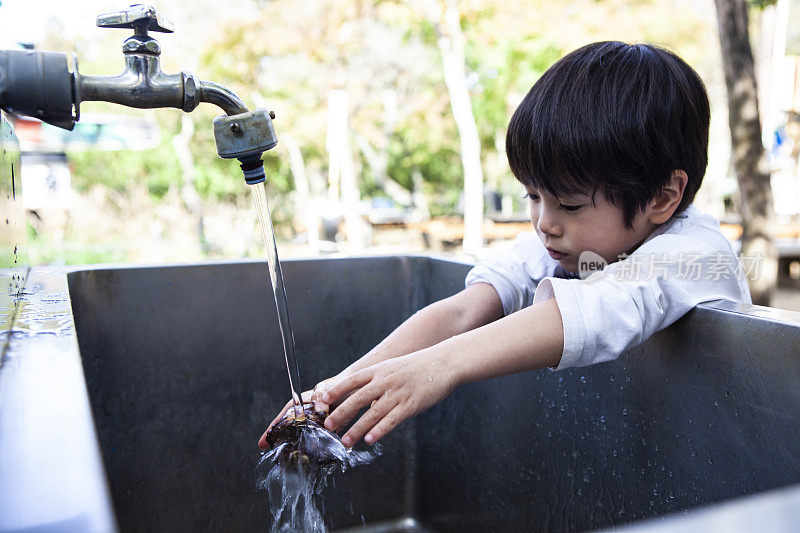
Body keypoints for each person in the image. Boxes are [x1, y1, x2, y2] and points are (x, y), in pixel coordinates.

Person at [258, 41, 752, 451]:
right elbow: (462, 312)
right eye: (533, 197)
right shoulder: (564, 243)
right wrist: (330, 394)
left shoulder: (694, 255)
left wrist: (442, 366)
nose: (544, 223)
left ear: (664, 197)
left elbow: (607, 306)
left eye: (570, 205)